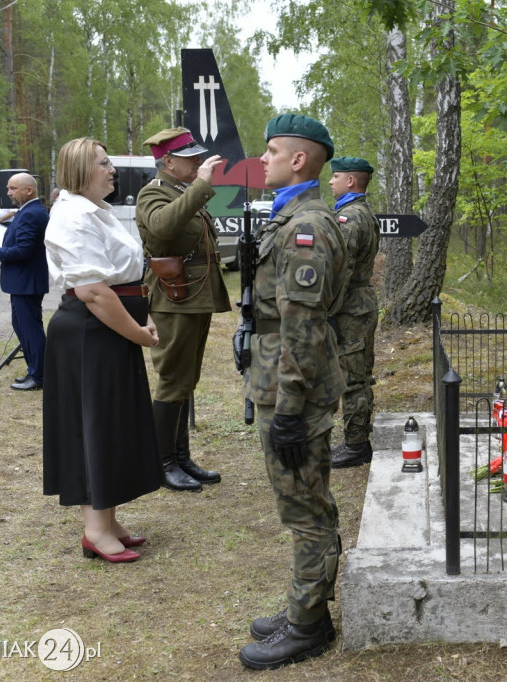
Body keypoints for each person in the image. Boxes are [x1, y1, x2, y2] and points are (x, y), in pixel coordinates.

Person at [238, 115, 348, 671]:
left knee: (304, 510)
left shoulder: (305, 227)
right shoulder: (293, 218)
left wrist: (286, 410)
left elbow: (301, 327)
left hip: (293, 390)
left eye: (273, 150)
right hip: (284, 379)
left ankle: (308, 626)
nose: (265, 159)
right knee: (308, 502)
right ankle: (308, 608)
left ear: (299, 160)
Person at [41, 137, 162, 564]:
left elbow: (121, 280)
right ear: (79, 170)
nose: (112, 170)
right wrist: (136, 332)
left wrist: (137, 319)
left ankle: (107, 520)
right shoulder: (73, 215)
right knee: (94, 425)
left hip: (108, 328)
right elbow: (93, 290)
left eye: (110, 163)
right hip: (92, 332)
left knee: (111, 423)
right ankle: (95, 529)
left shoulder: (99, 212)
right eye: (103, 163)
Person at [136, 127, 231, 491]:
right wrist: (199, 187)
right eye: (189, 158)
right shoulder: (154, 193)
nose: (197, 163)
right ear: (168, 161)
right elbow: (162, 228)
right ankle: (162, 463)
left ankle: (180, 457)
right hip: (173, 299)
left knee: (186, 380)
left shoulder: (178, 191)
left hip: (193, 296)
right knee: (173, 380)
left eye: (197, 157)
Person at [327, 157, 380, 468]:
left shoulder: (350, 218)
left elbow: (341, 270)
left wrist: (328, 309)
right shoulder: (359, 212)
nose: (331, 182)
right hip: (357, 303)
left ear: (350, 181)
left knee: (353, 379)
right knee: (356, 375)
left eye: (335, 177)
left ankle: (356, 445)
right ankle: (356, 439)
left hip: (350, 308)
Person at [0, 174, 49, 391]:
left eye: (12, 188)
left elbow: (24, 250)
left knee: (31, 329)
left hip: (26, 282)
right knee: (22, 326)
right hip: (23, 281)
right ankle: (34, 370)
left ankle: (40, 376)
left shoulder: (32, 213)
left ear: (28, 190)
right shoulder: (28, 211)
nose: (8, 193)